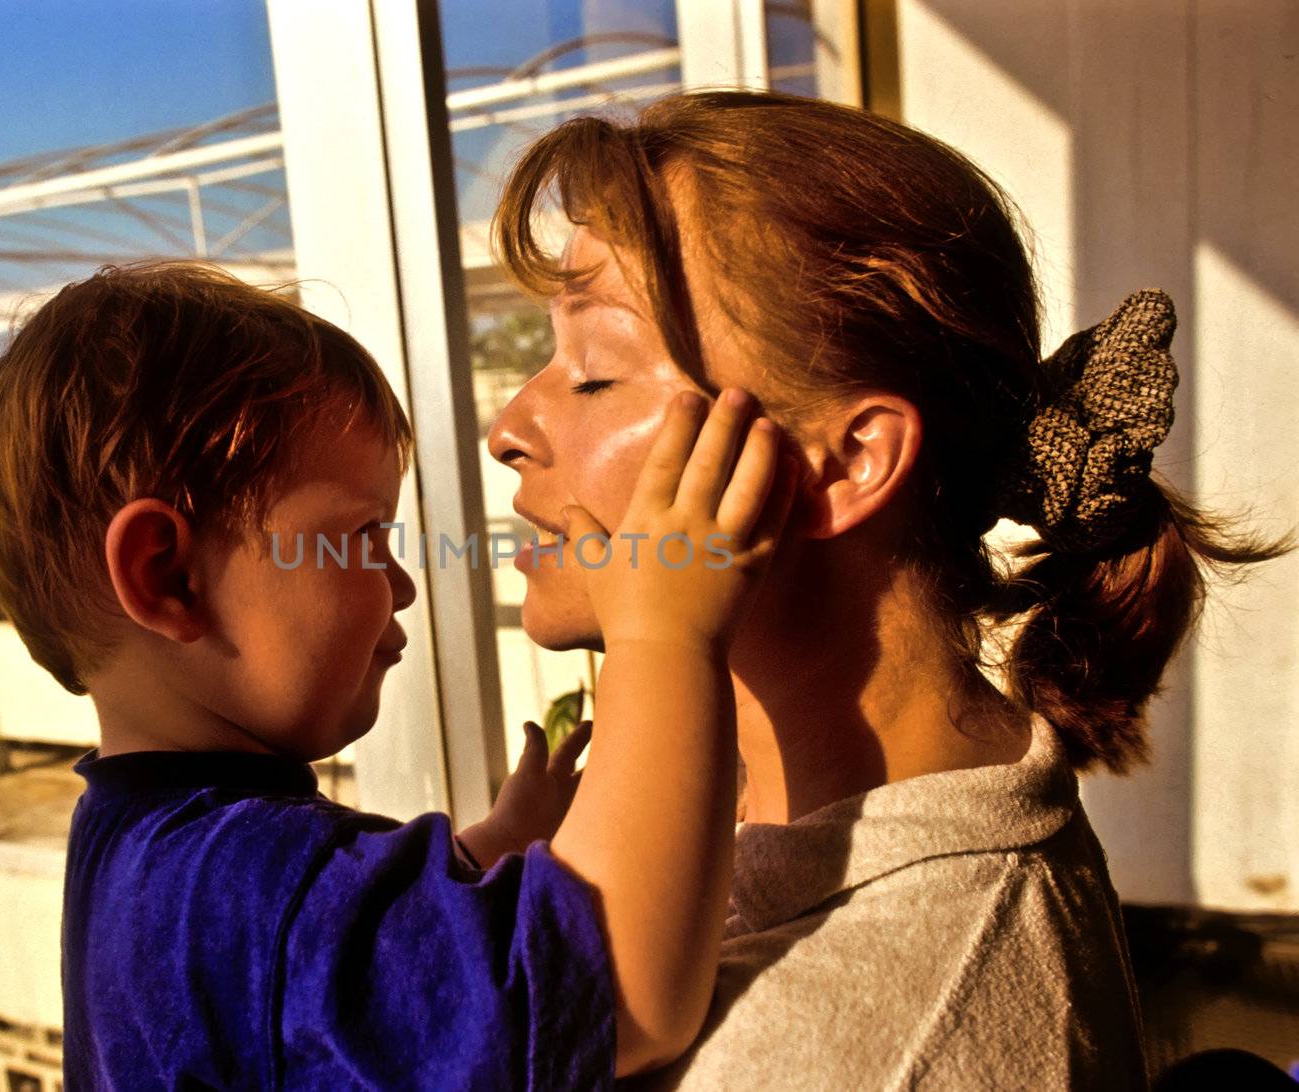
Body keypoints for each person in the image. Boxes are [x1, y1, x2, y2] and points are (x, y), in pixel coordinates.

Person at [485, 90, 1288, 1089]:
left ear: (846, 462)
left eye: (596, 370)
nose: (508, 425)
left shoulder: (859, 1047)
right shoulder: (740, 825)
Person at [0, 259, 798, 1090]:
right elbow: (613, 995)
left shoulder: (143, 848)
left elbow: (336, 987)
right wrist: (666, 633)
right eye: (360, 539)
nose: (402, 583)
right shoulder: (244, 885)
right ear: (167, 576)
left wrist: (489, 852)